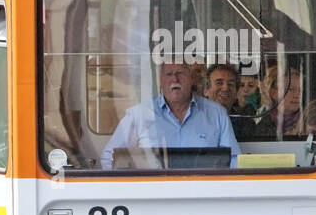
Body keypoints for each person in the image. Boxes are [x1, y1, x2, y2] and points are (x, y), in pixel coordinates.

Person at [100, 62, 240, 170]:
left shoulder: (217, 114)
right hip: (153, 199)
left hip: (203, 197)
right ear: (160, 80)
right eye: (169, 74)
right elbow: (109, 157)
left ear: (191, 79)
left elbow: (234, 160)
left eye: (181, 73)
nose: (175, 79)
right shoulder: (139, 114)